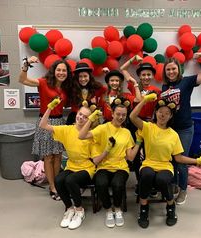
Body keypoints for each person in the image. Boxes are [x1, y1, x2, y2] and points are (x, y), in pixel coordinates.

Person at [129, 94, 201, 229]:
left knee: (162, 179)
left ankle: (171, 207)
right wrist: (144, 100)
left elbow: (178, 158)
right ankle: (144, 209)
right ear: (156, 112)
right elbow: (132, 117)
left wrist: (197, 161)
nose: (163, 115)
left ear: (171, 116)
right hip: (149, 163)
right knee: (147, 175)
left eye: (167, 113)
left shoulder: (173, 135)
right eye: (160, 112)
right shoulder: (148, 127)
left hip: (165, 165)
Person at [161, 51, 201, 205]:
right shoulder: (165, 86)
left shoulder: (187, 81)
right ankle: (175, 186)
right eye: (168, 69)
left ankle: (183, 189)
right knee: (171, 160)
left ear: (178, 69)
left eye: (173, 69)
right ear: (165, 72)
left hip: (184, 128)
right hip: (170, 129)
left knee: (181, 160)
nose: (171, 72)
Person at [78, 99, 140, 228]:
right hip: (103, 166)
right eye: (118, 114)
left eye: (124, 115)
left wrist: (139, 142)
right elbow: (81, 136)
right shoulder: (102, 128)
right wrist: (90, 119)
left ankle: (117, 209)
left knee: (117, 184)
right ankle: (108, 210)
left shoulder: (127, 132)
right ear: (112, 114)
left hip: (121, 167)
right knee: (101, 183)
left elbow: (130, 157)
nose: (121, 117)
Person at [19, 56, 72, 200]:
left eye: (64, 70)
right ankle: (53, 187)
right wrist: (26, 64)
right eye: (59, 70)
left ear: (67, 73)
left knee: (58, 156)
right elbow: (22, 80)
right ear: (54, 71)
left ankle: (58, 184)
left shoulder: (67, 87)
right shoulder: (43, 82)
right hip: (45, 122)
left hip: (60, 122)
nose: (61, 73)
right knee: (48, 157)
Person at [39, 100, 96, 229]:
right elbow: (43, 125)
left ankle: (79, 210)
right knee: (58, 180)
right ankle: (70, 209)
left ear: (89, 120)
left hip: (87, 168)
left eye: (85, 117)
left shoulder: (91, 133)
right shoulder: (67, 129)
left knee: (70, 180)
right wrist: (49, 108)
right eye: (80, 114)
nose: (81, 117)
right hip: (71, 166)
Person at [120, 55, 161, 194]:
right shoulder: (134, 86)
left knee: (150, 154)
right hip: (134, 123)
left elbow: (158, 109)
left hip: (149, 125)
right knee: (136, 156)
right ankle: (139, 182)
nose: (146, 77)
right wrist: (133, 59)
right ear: (139, 76)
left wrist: (155, 122)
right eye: (143, 74)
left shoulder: (156, 90)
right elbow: (123, 69)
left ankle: (151, 183)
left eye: (149, 74)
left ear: (153, 76)